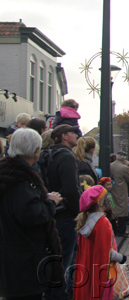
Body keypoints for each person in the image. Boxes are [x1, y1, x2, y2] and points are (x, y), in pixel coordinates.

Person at [0, 128, 65, 299]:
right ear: (36, 151)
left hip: (11, 256)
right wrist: (50, 202)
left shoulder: (7, 175)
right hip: (24, 261)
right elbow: (31, 214)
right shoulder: (23, 180)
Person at [47, 124, 82, 298]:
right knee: (65, 262)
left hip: (53, 213)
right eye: (72, 133)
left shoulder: (50, 154)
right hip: (66, 216)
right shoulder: (67, 157)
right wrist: (79, 211)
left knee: (53, 261)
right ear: (63, 136)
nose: (76, 135)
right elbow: (71, 189)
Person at [74, 185, 127, 300]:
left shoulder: (86, 221)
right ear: (99, 202)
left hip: (88, 272)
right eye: (105, 196)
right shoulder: (102, 222)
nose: (108, 199)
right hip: (104, 272)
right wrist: (121, 257)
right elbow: (106, 251)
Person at [110, 151, 129, 237]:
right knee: (123, 210)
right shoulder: (124, 168)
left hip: (112, 189)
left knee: (113, 209)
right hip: (121, 190)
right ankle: (121, 230)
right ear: (123, 158)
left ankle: (113, 229)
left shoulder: (110, 166)